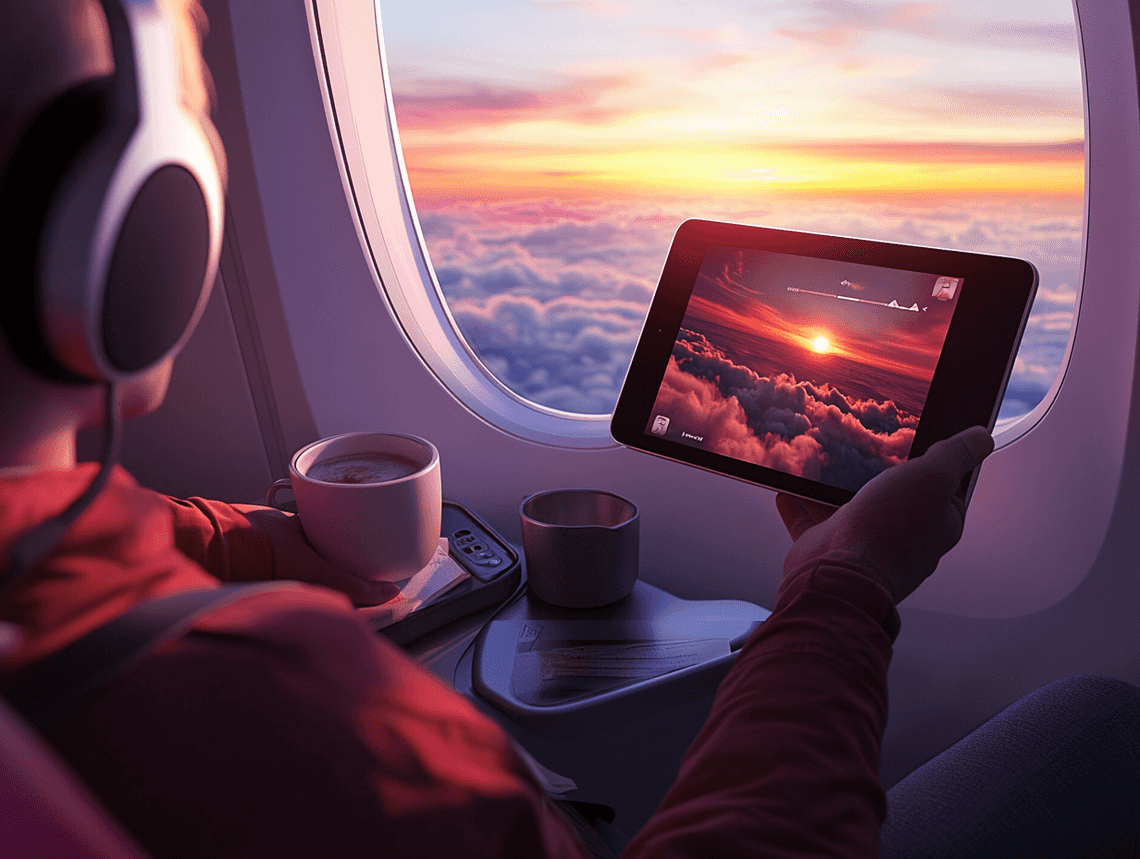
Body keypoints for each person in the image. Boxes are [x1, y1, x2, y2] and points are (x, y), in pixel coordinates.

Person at [2, 2, 1139, 858]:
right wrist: (844, 585)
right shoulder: (283, 713)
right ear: (136, 234)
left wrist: (260, 543)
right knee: (1101, 723)